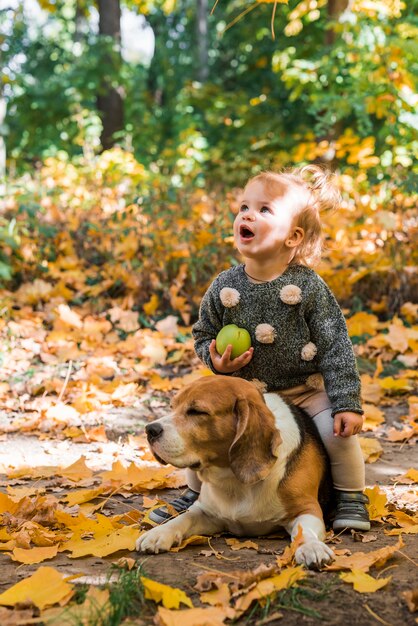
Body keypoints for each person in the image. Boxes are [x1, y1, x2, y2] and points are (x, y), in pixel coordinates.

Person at [149, 166, 370, 532]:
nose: (247, 215)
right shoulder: (225, 285)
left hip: (305, 391)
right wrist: (215, 359)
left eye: (265, 210)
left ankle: (351, 496)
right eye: (243, 208)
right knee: (201, 428)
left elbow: (336, 346)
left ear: (292, 236)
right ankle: (197, 494)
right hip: (248, 391)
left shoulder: (309, 288)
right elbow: (203, 333)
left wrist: (346, 402)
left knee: (338, 435)